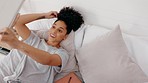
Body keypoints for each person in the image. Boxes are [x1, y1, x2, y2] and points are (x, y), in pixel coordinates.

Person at [0, 7, 84, 83]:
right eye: (53, 27)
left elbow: (48, 60)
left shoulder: (62, 54)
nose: (54, 32)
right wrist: (44, 15)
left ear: (65, 37)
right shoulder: (35, 40)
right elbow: (18, 22)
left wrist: (17, 44)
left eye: (60, 30)